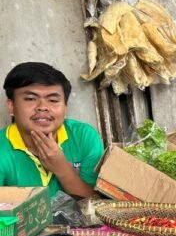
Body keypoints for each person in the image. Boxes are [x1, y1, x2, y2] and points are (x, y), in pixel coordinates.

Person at [1, 62, 104, 199]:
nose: (43, 107)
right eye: (31, 99)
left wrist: (62, 169)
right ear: (11, 106)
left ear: (65, 108)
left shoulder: (83, 136)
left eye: (53, 100)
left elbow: (97, 202)